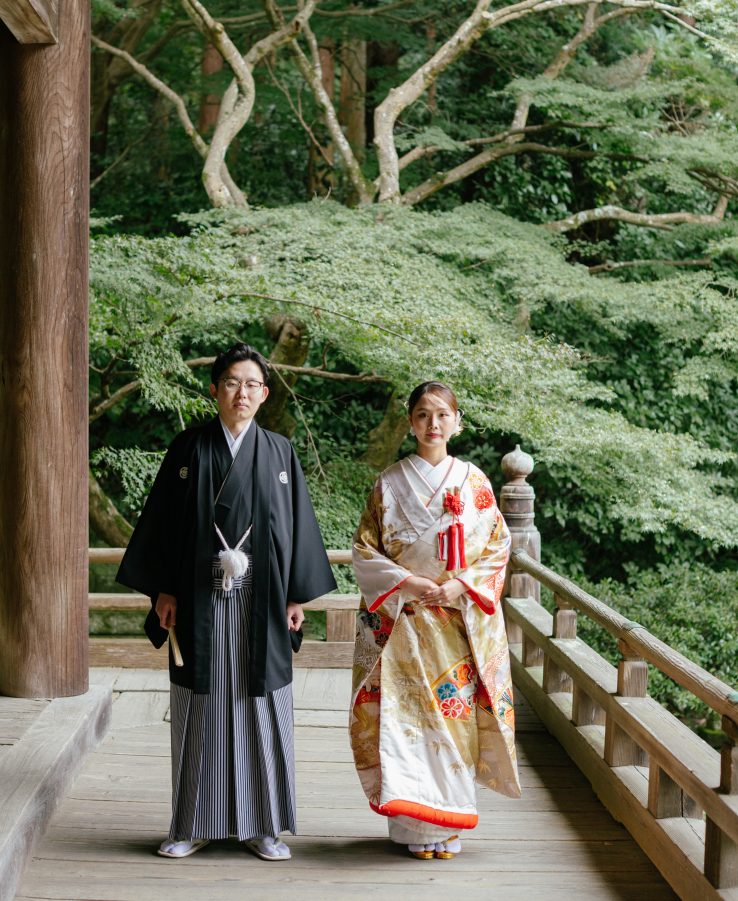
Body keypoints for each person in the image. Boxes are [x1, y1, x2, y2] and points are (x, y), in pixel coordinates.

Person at [117, 343, 336, 862]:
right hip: (198, 596)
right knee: (201, 706)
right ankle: (192, 822)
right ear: (214, 389)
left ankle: (264, 825)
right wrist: (163, 589)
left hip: (261, 599)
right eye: (232, 382)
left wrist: (295, 595)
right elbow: (165, 524)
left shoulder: (280, 451)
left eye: (252, 384)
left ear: (264, 393)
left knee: (259, 702)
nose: (242, 393)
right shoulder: (189, 448)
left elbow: (295, 529)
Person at [350, 381, 520, 859]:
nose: (433, 424)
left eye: (442, 415)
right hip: (404, 621)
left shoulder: (475, 482)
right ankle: (412, 830)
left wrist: (460, 586)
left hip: (456, 623)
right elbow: (365, 549)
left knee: (453, 721)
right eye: (423, 415)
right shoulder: (388, 482)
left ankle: (448, 825)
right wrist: (407, 583)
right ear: (410, 423)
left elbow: (498, 547)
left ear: (457, 422)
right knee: (405, 722)